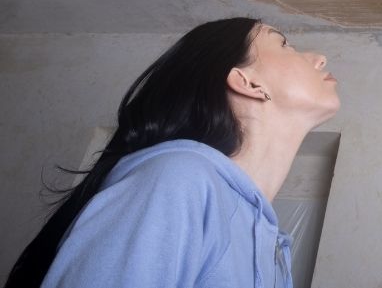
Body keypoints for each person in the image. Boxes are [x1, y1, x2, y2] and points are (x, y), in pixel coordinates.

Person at [4, 17, 340, 288]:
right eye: (284, 43)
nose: (318, 57)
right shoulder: (177, 178)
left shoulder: (268, 241)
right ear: (248, 83)